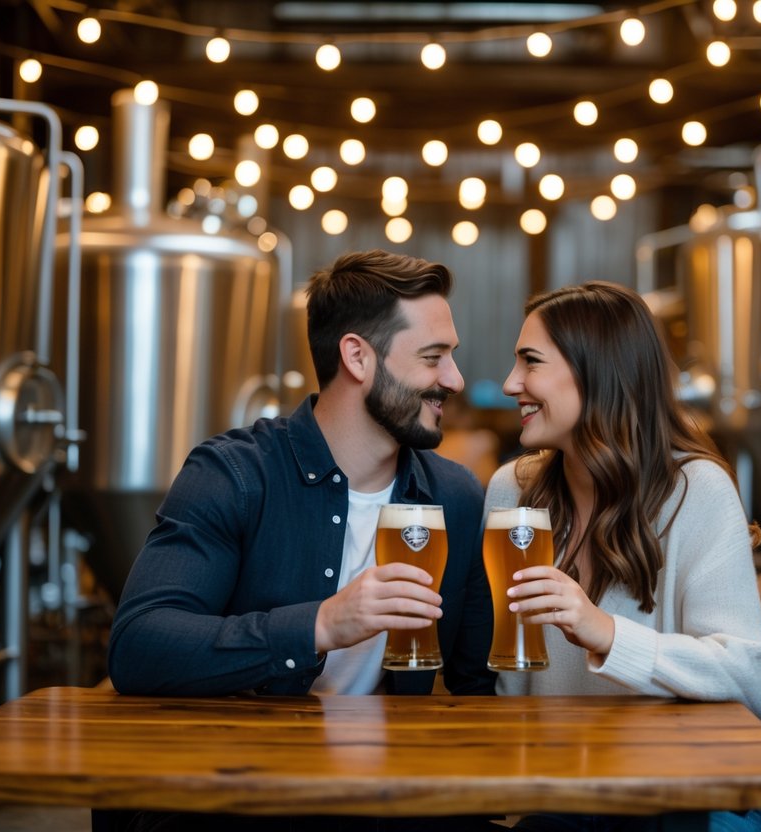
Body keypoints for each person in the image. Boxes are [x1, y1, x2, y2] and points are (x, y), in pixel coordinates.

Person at [104, 249, 497, 831]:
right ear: (357, 357)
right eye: (433, 358)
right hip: (236, 790)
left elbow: (475, 685)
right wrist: (321, 624)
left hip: (386, 797)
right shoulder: (235, 473)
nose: (455, 380)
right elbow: (140, 644)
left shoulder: (455, 496)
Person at [485, 281, 761, 832]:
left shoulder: (696, 490)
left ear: (596, 373)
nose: (511, 384)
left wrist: (606, 633)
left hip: (698, 799)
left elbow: (752, 675)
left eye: (530, 362)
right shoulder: (513, 493)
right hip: (564, 797)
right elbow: (512, 677)